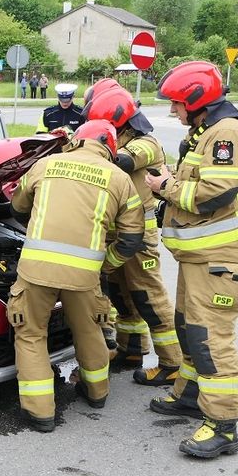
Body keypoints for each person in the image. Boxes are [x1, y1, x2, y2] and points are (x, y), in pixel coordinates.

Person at [9, 93, 145, 432]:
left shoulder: (45, 165)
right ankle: (96, 391)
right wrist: (105, 264)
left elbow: (17, 207)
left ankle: (41, 413)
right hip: (85, 275)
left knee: (30, 334)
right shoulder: (120, 179)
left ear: (76, 139)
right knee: (89, 330)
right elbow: (131, 237)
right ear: (109, 148)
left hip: (36, 272)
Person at [145, 60, 238, 459]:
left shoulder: (226, 133)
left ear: (195, 100)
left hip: (220, 260)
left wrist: (165, 186)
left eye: (176, 103)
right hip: (198, 258)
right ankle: (191, 396)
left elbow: (217, 192)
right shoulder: (206, 132)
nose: (172, 110)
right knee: (188, 329)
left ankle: (224, 428)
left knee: (210, 340)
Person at [82, 79, 183, 386]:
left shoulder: (146, 143)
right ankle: (132, 349)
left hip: (139, 238)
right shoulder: (118, 137)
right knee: (121, 295)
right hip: (116, 234)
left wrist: (81, 148)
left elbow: (121, 160)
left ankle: (173, 362)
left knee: (148, 297)